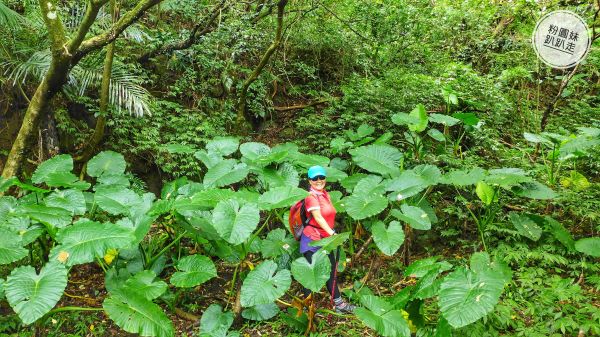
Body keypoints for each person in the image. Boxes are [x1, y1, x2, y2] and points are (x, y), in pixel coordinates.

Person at [299, 165, 355, 314]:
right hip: (312, 240)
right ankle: (309, 309)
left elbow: (329, 215)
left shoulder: (325, 195)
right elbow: (317, 217)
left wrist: (331, 233)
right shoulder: (310, 197)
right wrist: (331, 232)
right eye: (315, 178)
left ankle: (339, 304)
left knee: (330, 271)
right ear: (310, 181)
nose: (319, 180)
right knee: (312, 274)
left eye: (321, 177)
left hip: (325, 241)